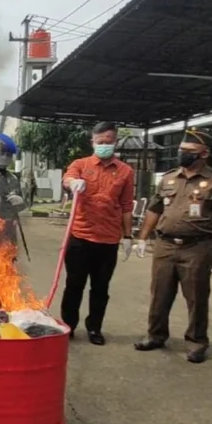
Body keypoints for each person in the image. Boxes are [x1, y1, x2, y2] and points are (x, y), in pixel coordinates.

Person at [132, 128, 212, 363]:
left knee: (196, 296)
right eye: (182, 150)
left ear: (204, 153)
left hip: (197, 247)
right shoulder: (169, 178)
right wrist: (142, 237)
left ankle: (197, 341)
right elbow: (154, 209)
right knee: (159, 294)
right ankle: (156, 335)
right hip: (165, 245)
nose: (183, 154)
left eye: (190, 151)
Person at [59, 122, 135, 344]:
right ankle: (68, 325)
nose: (104, 146)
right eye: (100, 142)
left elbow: (127, 206)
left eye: (108, 142)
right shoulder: (81, 165)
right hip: (80, 238)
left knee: (100, 288)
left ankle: (94, 328)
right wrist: (73, 183)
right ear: (92, 142)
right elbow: (67, 178)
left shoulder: (125, 171)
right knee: (74, 285)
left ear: (115, 142)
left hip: (108, 240)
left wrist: (128, 236)